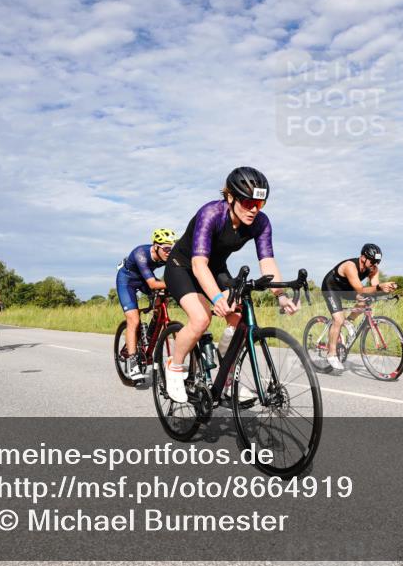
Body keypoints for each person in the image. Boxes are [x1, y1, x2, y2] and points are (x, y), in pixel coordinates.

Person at [163, 166, 298, 404]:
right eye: (247, 202)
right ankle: (174, 367)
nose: (254, 210)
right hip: (183, 266)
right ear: (230, 197)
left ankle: (226, 379)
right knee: (201, 319)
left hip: (215, 269)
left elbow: (267, 262)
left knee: (240, 322)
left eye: (260, 203)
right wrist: (216, 299)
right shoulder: (211, 213)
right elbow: (198, 264)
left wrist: (281, 295)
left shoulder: (261, 223)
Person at [321, 243, 397, 372]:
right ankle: (331, 354)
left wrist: (386, 289)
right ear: (363, 257)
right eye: (373, 261)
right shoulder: (350, 266)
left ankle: (349, 321)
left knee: (367, 300)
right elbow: (360, 289)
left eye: (378, 262)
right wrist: (379, 287)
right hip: (331, 288)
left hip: (347, 289)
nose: (375, 265)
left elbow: (374, 288)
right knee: (338, 319)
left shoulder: (373, 269)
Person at [116, 228, 176, 383]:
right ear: (156, 246)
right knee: (134, 320)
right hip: (127, 281)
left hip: (143, 279)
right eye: (166, 248)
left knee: (163, 299)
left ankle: (149, 335)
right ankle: (133, 362)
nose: (170, 252)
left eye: (172, 248)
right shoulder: (141, 254)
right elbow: (152, 283)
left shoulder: (167, 255)